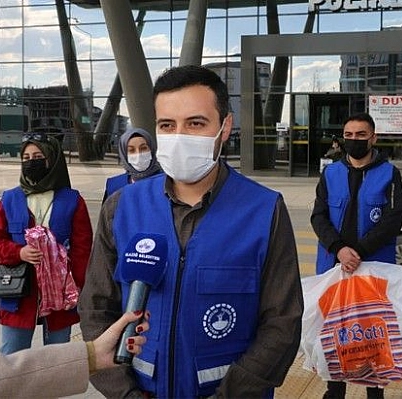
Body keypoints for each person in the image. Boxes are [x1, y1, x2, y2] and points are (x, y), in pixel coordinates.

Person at [79, 64, 303, 398]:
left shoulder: (264, 210)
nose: (179, 136)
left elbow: (282, 325)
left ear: (224, 127)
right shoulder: (122, 207)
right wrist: (125, 394)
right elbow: (96, 308)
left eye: (196, 123)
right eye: (167, 125)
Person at [310, 112, 402, 399]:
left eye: (361, 135)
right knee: (336, 333)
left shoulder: (389, 174)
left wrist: (359, 251)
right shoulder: (330, 173)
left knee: (372, 335)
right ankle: (334, 391)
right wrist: (339, 249)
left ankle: (375, 393)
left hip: (372, 269)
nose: (354, 140)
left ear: (373, 138)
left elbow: (393, 220)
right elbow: (318, 216)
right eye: (348, 135)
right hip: (334, 268)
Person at [0, 133, 92, 355]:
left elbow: (83, 250)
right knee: (12, 359)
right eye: (26, 157)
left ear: (51, 160)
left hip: (60, 298)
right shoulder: (9, 199)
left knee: (56, 361)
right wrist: (19, 252)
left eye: (37, 156)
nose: (30, 162)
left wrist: (78, 288)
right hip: (18, 295)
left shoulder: (73, 200)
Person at [0, 311, 149, 397]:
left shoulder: (71, 201)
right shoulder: (11, 201)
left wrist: (90, 356)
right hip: (19, 305)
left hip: (58, 306)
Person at [102, 126, 162, 202]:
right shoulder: (114, 185)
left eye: (143, 148)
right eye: (131, 150)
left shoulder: (167, 182)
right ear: (124, 154)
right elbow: (108, 213)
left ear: (152, 149)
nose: (138, 154)